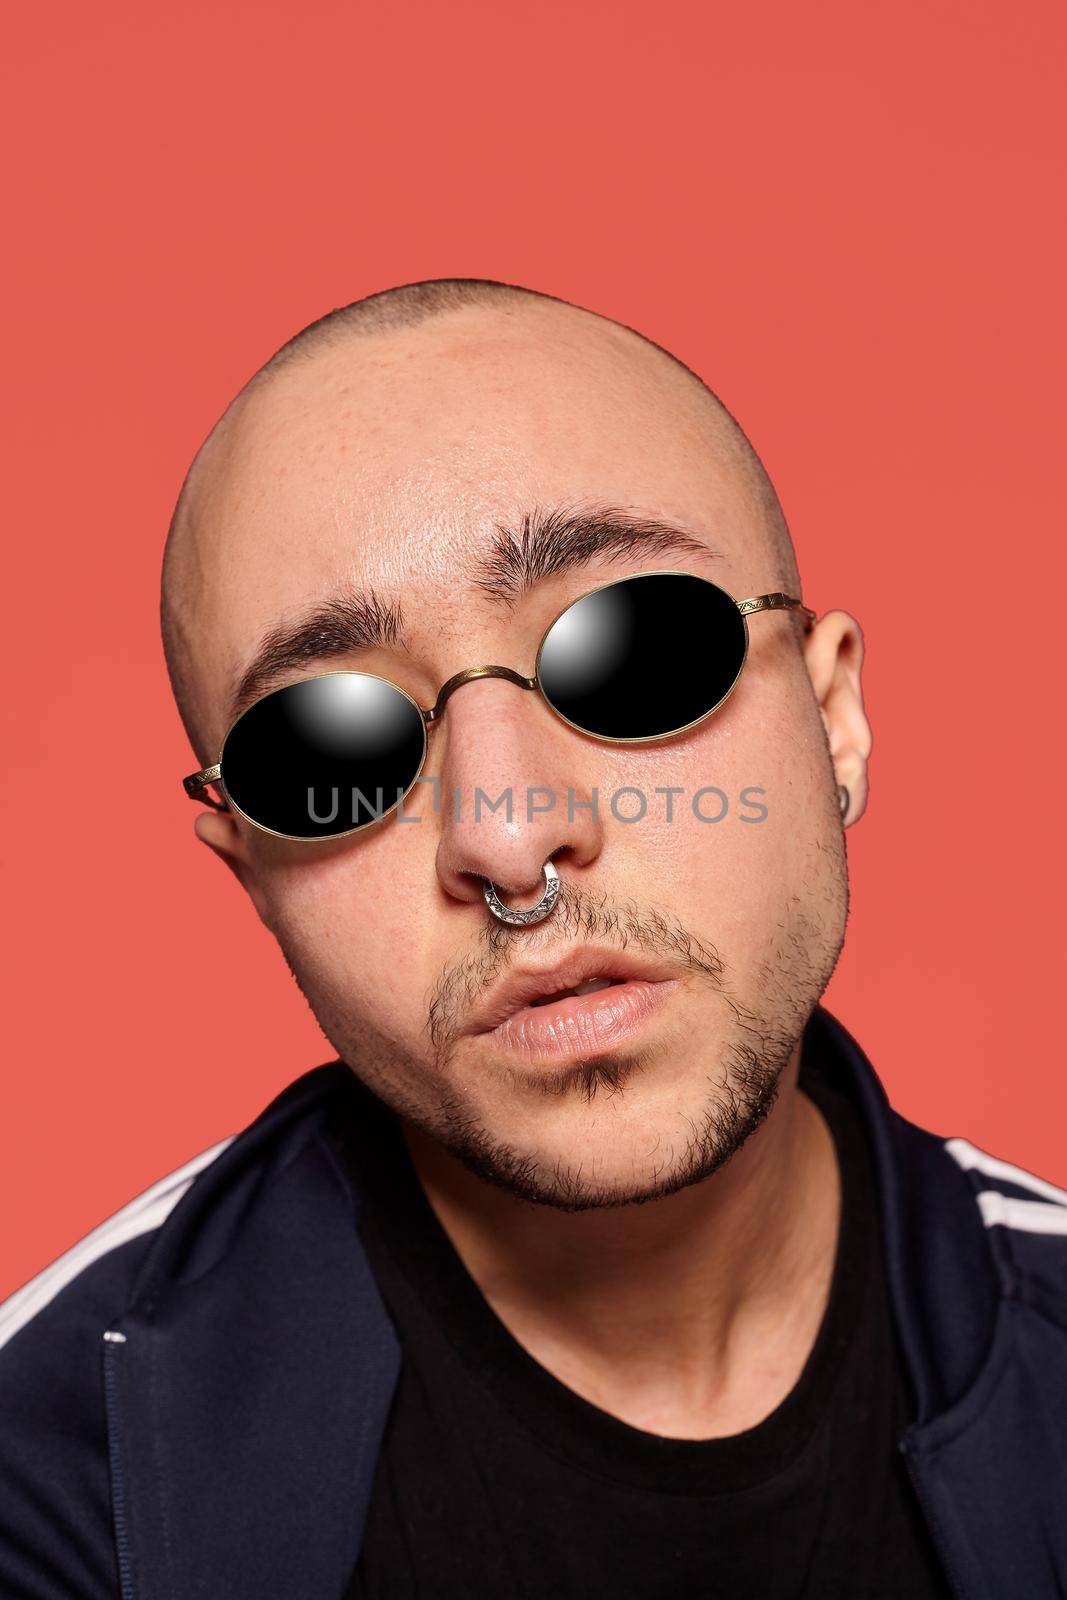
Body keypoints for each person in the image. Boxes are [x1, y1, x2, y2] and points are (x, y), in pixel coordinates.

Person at [2, 279, 1065, 1600]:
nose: (507, 836)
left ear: (832, 716)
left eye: (630, 652)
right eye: (333, 744)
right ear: (253, 868)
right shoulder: (47, 1483)